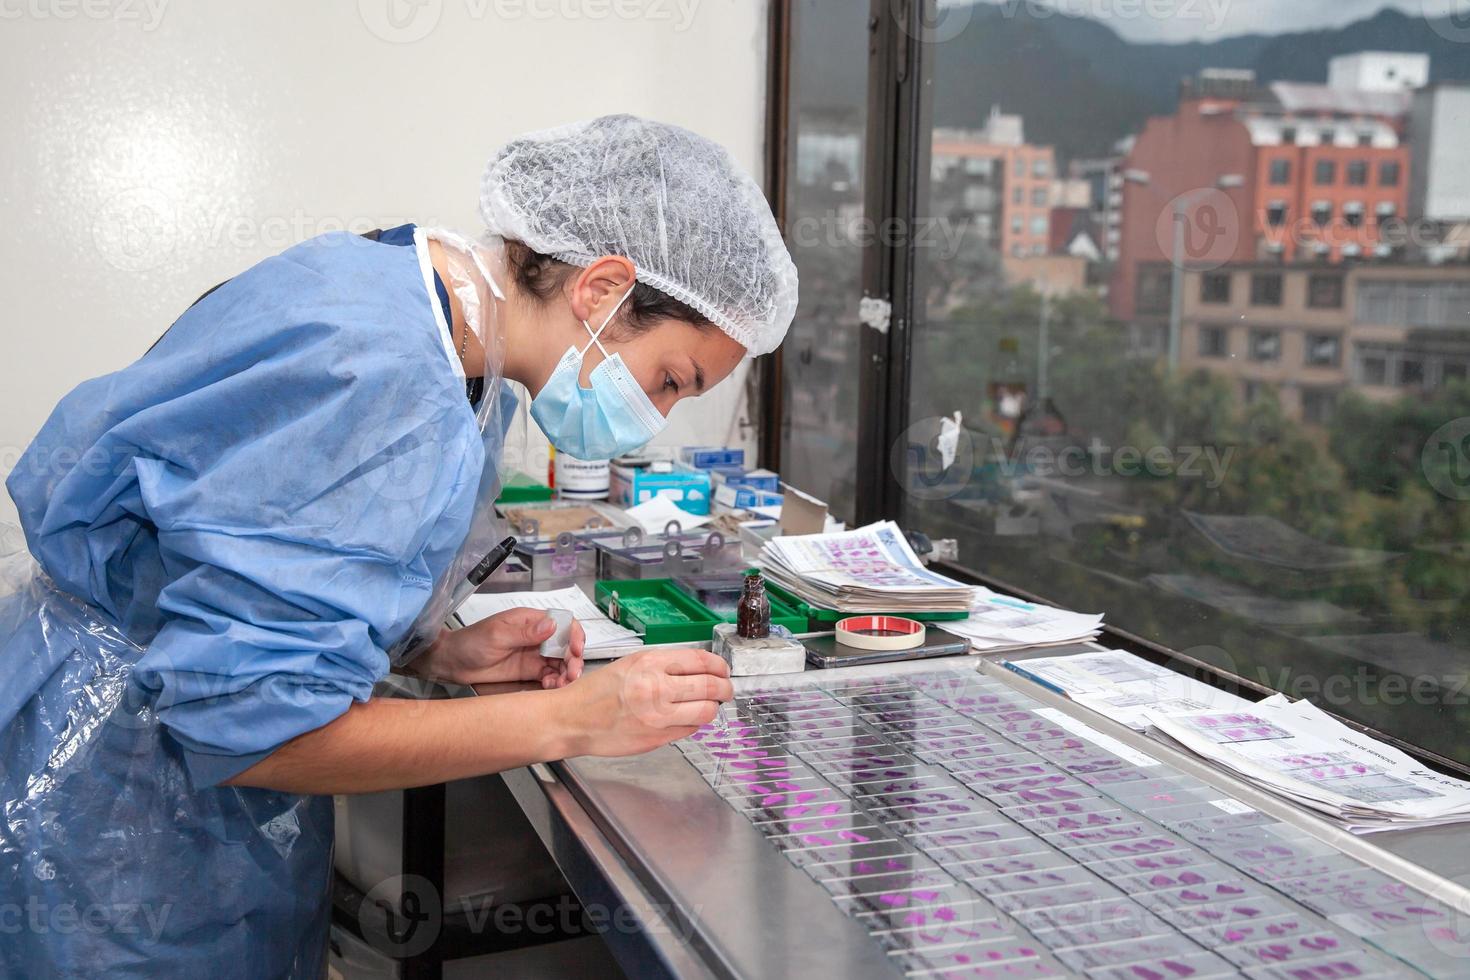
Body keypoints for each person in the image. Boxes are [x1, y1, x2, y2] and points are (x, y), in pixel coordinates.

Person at [0, 114, 798, 977]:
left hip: (161, 750)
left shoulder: (436, 314)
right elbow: (252, 729)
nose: (658, 416)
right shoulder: (387, 374)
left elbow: (261, 561)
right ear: (602, 288)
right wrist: (573, 719)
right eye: (670, 380)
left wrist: (436, 653)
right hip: (122, 811)